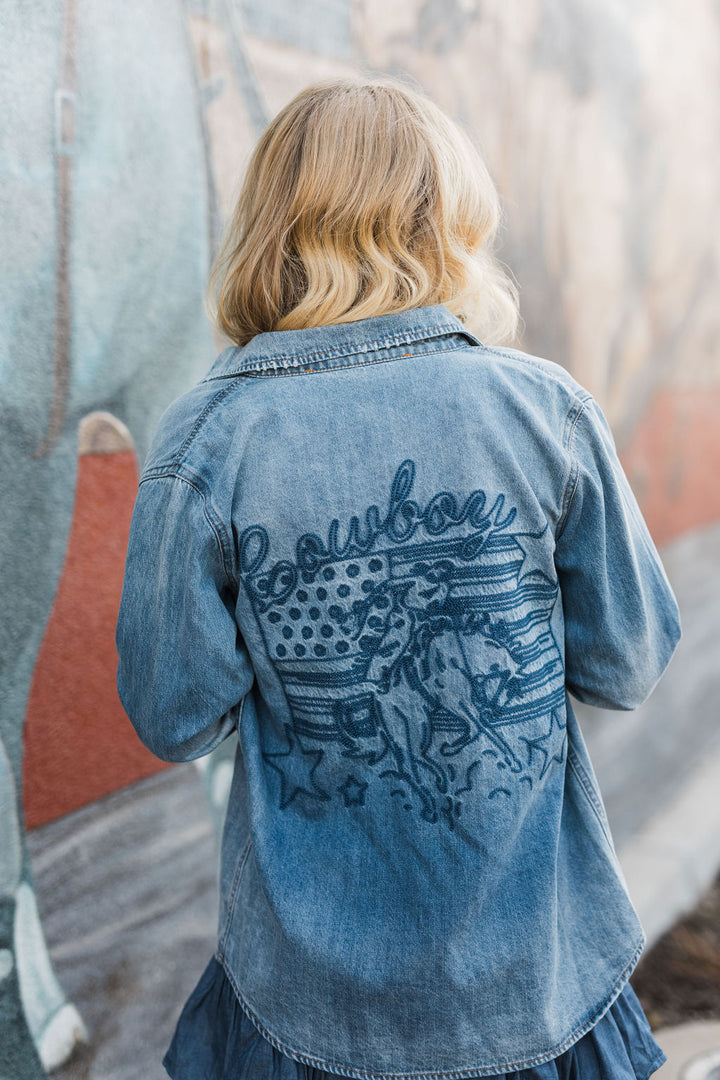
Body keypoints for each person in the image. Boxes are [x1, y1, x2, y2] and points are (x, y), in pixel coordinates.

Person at [115, 77, 681, 1080]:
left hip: (307, 1012)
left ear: (269, 228)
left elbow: (174, 715)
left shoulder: (208, 443)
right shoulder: (541, 412)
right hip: (537, 990)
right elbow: (627, 662)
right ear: (446, 220)